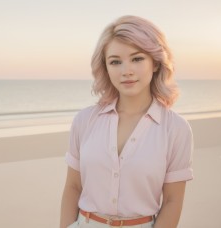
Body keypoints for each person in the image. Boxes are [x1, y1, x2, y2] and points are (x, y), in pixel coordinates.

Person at [60, 15, 193, 228]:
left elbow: (172, 201)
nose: (126, 71)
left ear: (156, 62)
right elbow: (73, 187)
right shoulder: (84, 121)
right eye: (115, 62)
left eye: (137, 58)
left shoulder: (176, 129)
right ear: (106, 67)